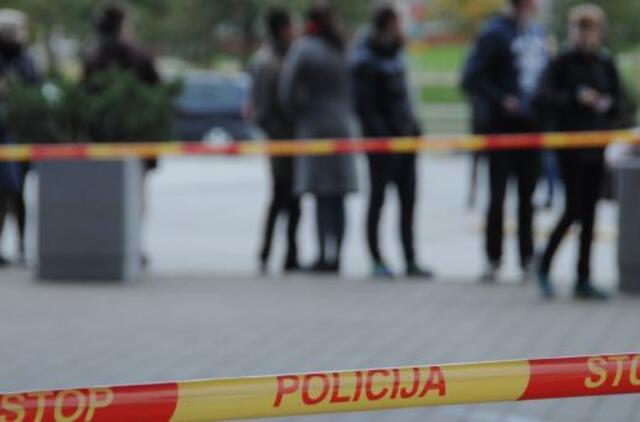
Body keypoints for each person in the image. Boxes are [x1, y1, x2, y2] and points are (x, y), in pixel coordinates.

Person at [534, 4, 621, 300]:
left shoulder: (605, 63)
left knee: (591, 213)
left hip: (596, 147)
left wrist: (605, 104)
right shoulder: (561, 63)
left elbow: (621, 102)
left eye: (589, 30)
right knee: (573, 209)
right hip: (570, 148)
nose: (584, 35)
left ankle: (583, 277)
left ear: (598, 32)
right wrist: (575, 98)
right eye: (579, 29)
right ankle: (544, 265)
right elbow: (542, 98)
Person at [462, 0, 548, 282]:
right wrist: (501, 99)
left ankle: (527, 257)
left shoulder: (535, 33)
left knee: (527, 197)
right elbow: (471, 78)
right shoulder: (495, 33)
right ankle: (493, 257)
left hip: (531, 127)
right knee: (498, 195)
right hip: (502, 129)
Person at [350, 5, 434, 279]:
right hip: (383, 143)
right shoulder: (365, 58)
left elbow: (402, 99)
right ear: (388, 23)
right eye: (398, 22)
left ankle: (410, 259)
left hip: (405, 139)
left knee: (408, 201)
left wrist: (413, 128)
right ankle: (377, 259)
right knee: (378, 200)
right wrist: (383, 136)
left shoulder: (394, 54)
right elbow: (365, 107)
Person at [279, 1, 359, 274]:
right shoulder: (343, 48)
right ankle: (337, 254)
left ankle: (325, 254)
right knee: (338, 196)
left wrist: (300, 114)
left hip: (315, 127)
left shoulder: (304, 49)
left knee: (322, 195)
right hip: (342, 127)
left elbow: (287, 92)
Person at [83, 1, 160, 267]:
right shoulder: (138, 57)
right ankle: (132, 246)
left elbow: (84, 98)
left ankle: (106, 246)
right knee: (135, 196)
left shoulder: (93, 57)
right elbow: (156, 94)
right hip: (135, 139)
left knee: (102, 196)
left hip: (101, 141)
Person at [250, 8, 301, 274]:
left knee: (291, 198)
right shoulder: (269, 62)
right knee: (282, 196)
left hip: (289, 137)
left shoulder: (285, 56)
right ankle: (271, 252)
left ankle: (287, 253)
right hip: (282, 138)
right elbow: (262, 108)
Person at [0, 9, 40, 266]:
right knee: (5, 192)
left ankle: (22, 246)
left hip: (22, 134)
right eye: (19, 30)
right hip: (4, 136)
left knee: (18, 192)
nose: (23, 35)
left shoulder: (25, 60)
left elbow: (35, 87)